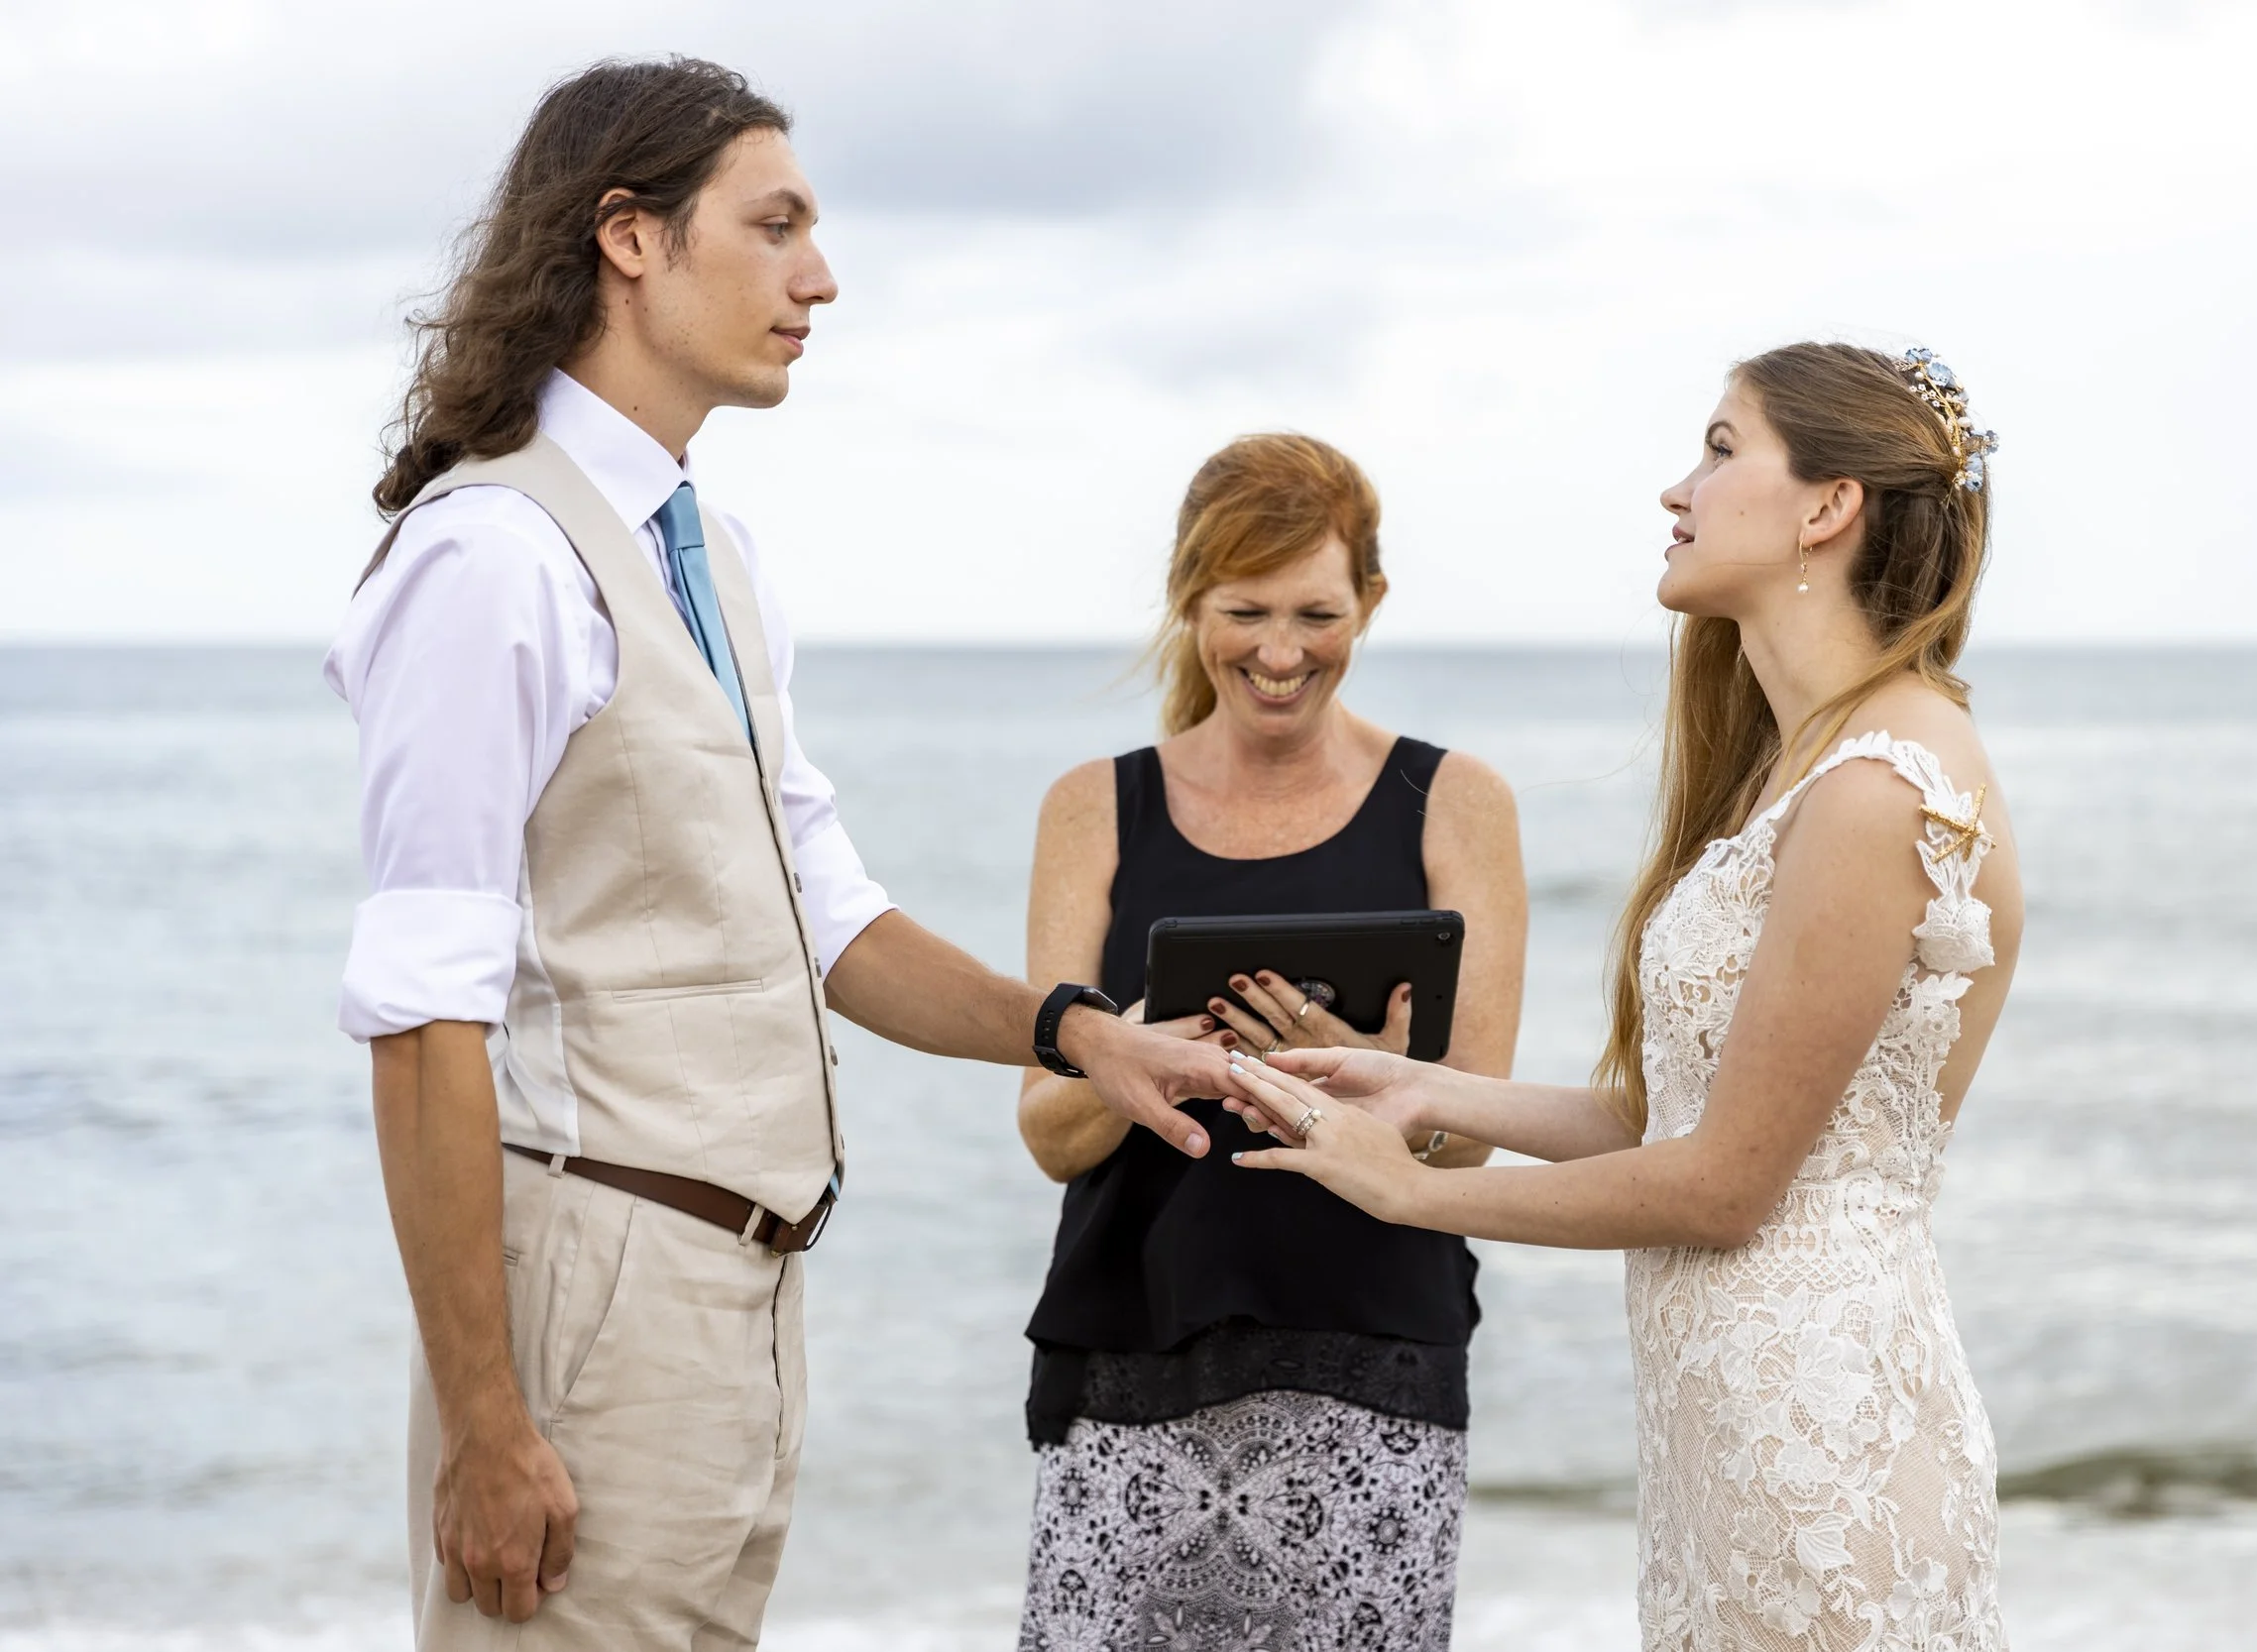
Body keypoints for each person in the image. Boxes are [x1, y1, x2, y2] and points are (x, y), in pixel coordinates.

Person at [326, 58, 1237, 1651]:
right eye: (775, 225)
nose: (818, 276)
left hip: (742, 1291)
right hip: (595, 1283)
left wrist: (1078, 1029)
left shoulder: (716, 553)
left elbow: (832, 913)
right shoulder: (493, 560)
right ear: (631, 238)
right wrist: (483, 1417)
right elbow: (421, 1019)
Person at [1225, 342, 2020, 1650]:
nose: (1678, 489)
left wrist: (1416, 1186)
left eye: (1719, 448)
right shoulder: (1811, 766)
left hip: (1824, 1434)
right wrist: (1429, 1087)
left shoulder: (1883, 783)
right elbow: (1699, 1115)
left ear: (1828, 506)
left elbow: (1725, 1182)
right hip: (1740, 1418)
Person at [1012, 434, 1527, 1650]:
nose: (1282, 652)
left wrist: (1366, 1084)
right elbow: (1046, 1133)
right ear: (1191, 597)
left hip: (1370, 1351)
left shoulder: (1457, 801)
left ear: (1372, 603)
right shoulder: (1095, 806)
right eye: (1244, 610)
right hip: (1129, 1347)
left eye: (1317, 612)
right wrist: (1137, 1047)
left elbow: (1462, 1155)